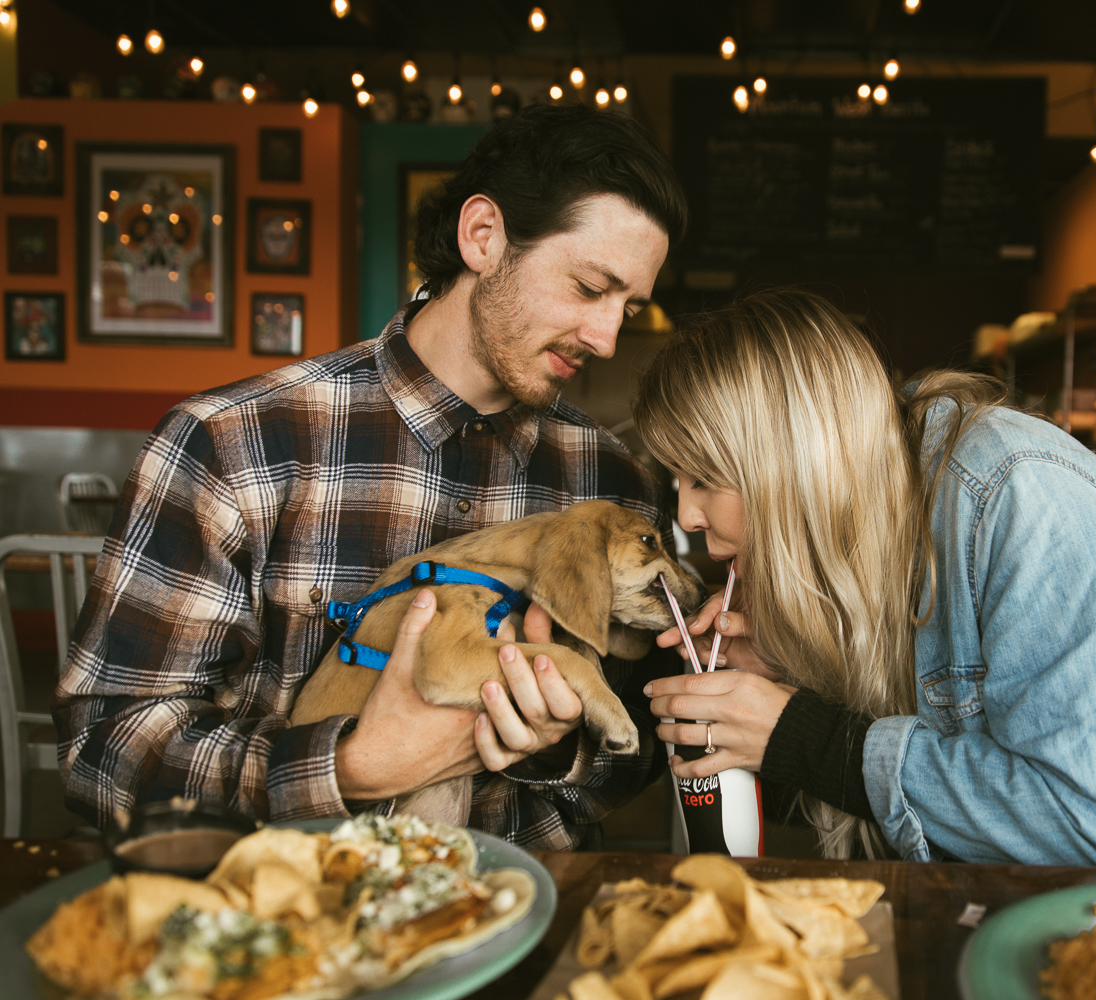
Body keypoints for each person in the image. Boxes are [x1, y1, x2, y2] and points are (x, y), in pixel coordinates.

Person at [55, 104, 687, 850]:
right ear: (483, 237)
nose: (608, 339)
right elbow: (100, 756)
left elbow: (642, 752)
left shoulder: (609, 482)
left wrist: (556, 746)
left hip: (529, 927)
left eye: (631, 307)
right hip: (297, 929)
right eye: (589, 288)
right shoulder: (234, 443)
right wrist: (347, 767)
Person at [633, 288, 1096, 870]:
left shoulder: (1020, 495)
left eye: (705, 480)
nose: (687, 516)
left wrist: (801, 736)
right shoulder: (877, 508)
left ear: (796, 462)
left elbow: (1093, 832)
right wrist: (799, 657)